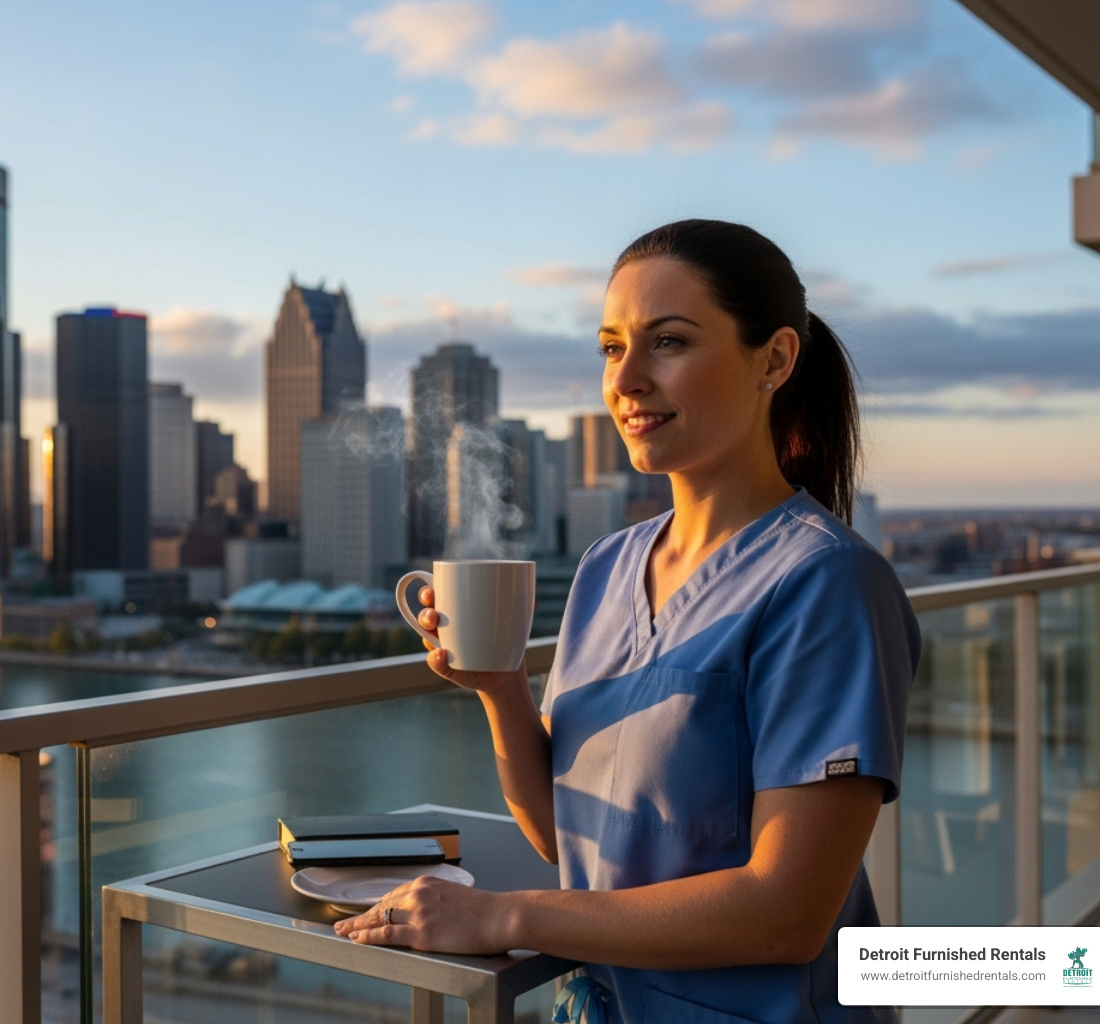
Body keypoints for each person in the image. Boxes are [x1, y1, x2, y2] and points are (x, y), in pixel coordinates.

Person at [335, 219, 920, 1024]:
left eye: (669, 342)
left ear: (775, 360)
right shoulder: (608, 567)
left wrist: (505, 915)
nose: (628, 378)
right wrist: (500, 692)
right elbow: (565, 841)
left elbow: (789, 911)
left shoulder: (827, 582)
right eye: (612, 348)